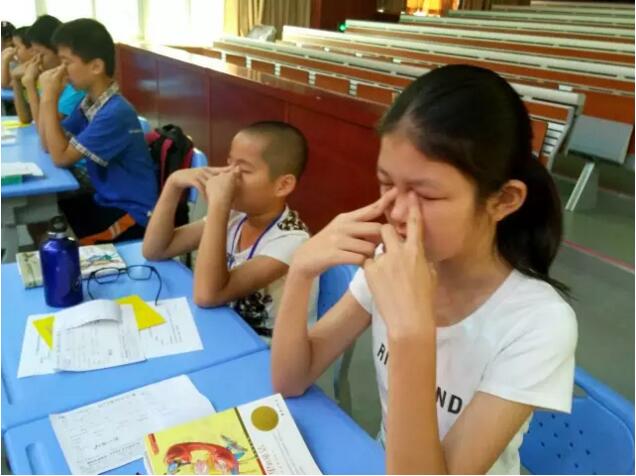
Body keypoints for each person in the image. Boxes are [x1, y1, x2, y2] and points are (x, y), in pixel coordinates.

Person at [271, 65, 577, 474]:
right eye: (386, 183)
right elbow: (290, 379)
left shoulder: (539, 323)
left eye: (427, 196)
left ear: (503, 200)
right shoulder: (390, 263)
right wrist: (301, 271)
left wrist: (411, 333)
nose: (397, 212)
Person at [143, 121, 317, 338]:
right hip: (224, 326)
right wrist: (173, 184)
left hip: (264, 348)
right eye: (229, 164)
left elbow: (207, 295)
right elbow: (156, 250)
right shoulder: (238, 217)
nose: (228, 176)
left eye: (243, 170)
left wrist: (219, 205)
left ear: (283, 185)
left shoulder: (293, 241)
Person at [39, 18, 157, 244]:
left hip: (132, 214)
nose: (61, 70)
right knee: (46, 213)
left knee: (54, 238)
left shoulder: (115, 112)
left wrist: (48, 97)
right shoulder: (89, 103)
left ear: (95, 66)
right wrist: (47, 97)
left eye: (66, 62)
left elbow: (61, 157)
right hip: (105, 200)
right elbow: (48, 144)